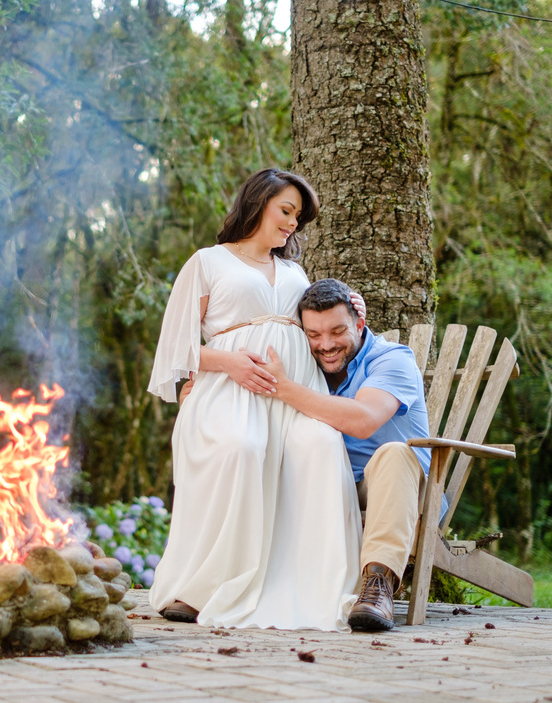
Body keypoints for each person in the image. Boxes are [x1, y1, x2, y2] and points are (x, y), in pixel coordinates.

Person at [146, 168, 362, 631]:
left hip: (292, 396)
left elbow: (319, 329)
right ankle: (200, 588)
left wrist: (351, 307)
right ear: (258, 201)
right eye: (286, 210)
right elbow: (174, 347)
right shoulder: (207, 262)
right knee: (241, 447)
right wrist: (229, 363)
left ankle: (315, 586)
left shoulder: (295, 271)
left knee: (322, 447)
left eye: (298, 217)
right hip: (229, 392)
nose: (292, 224)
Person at [258, 278, 430, 632]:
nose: (326, 345)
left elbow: (363, 421)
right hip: (333, 484)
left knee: (394, 453)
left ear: (359, 324)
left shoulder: (392, 360)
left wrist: (286, 389)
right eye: (314, 335)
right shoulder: (307, 365)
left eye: (338, 331)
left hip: (395, 485)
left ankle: (378, 587)